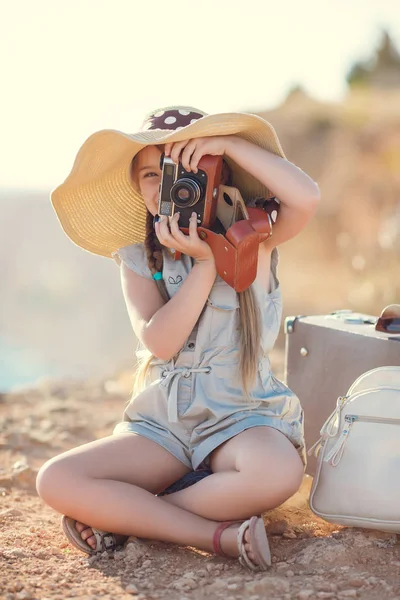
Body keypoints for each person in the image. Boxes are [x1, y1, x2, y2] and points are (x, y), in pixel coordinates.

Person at [36, 106, 320, 571]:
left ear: (216, 173)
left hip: (241, 418)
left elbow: (306, 198)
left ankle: (129, 518)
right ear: (136, 188)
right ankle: (215, 535)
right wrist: (205, 266)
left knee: (278, 472)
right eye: (152, 174)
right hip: (163, 425)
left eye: (184, 171)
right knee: (57, 480)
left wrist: (228, 144)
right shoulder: (136, 257)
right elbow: (161, 343)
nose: (168, 185)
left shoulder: (255, 236)